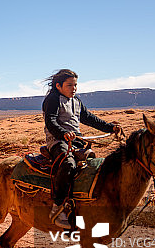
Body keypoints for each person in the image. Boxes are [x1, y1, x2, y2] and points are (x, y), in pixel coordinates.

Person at [43, 69, 123, 229]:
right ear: (58, 86)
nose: (74, 88)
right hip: (58, 141)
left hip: (76, 140)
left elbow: (89, 118)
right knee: (69, 164)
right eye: (69, 85)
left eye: (75, 85)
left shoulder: (76, 101)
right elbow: (50, 122)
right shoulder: (52, 100)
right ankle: (57, 207)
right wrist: (63, 133)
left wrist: (110, 128)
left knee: (93, 165)